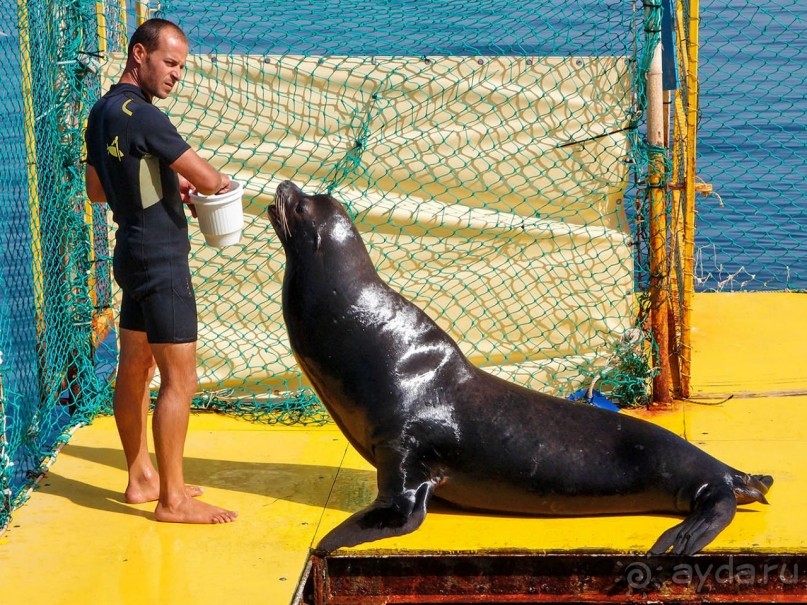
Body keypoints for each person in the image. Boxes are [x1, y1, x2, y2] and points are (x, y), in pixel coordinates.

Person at [84, 18, 237, 524]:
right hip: (163, 260)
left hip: (130, 250)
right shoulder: (147, 117)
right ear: (139, 54)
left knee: (135, 367)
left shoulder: (103, 112)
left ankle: (141, 477)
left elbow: (98, 189)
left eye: (181, 68)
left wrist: (163, 184)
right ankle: (172, 499)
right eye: (170, 64)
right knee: (180, 378)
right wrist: (210, 184)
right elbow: (211, 178)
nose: (176, 76)